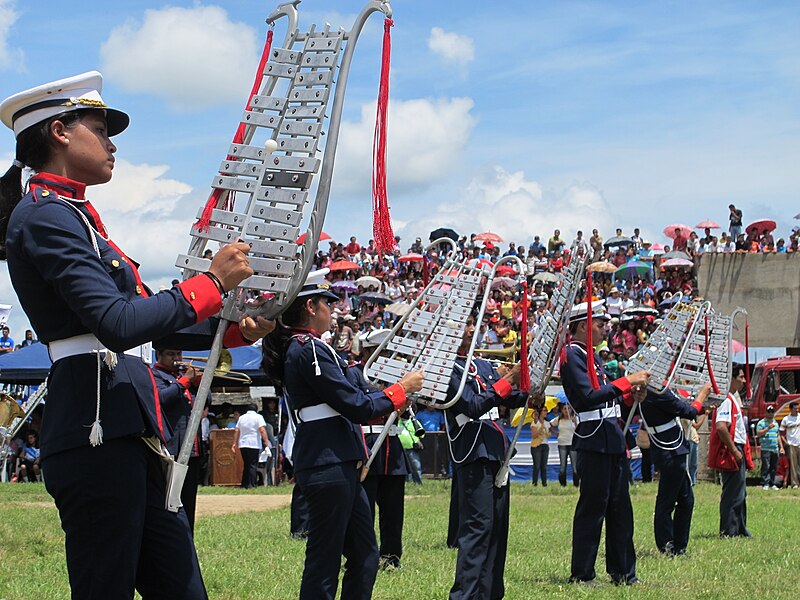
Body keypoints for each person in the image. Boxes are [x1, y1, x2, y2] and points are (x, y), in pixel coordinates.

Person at [0, 71, 272, 599]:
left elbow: (145, 316)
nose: (110, 144)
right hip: (95, 433)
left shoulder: (74, 215)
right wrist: (212, 282)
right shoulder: (46, 218)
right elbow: (118, 324)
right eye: (100, 129)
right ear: (59, 131)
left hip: (126, 430)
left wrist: (232, 330)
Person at [261, 268, 424, 600]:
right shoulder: (308, 349)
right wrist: (399, 391)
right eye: (326, 302)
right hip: (328, 464)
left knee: (364, 556)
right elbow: (357, 405)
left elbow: (358, 394)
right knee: (325, 560)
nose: (332, 309)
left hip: (340, 462)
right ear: (310, 307)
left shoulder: (314, 349)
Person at [560, 300, 650, 585]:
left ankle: (624, 571)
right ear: (584, 325)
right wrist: (626, 382)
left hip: (611, 436)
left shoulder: (591, 356)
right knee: (593, 508)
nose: (604, 330)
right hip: (593, 438)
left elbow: (607, 397)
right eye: (600, 324)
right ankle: (582, 573)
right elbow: (588, 396)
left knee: (620, 508)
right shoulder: (572, 354)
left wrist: (629, 396)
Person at [444, 320, 529, 600]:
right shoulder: (444, 368)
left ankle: (490, 593)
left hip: (495, 448)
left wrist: (532, 388)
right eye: (465, 324)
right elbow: (473, 404)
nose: (471, 329)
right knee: (478, 528)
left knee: (497, 527)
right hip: (473, 449)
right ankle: (465, 594)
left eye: (472, 324)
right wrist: (508, 380)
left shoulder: (480, 365)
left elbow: (510, 396)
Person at [636, 384, 708, 556]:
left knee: (686, 500)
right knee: (667, 502)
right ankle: (667, 545)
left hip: (671, 449)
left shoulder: (654, 391)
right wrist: (703, 394)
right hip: (670, 451)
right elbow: (689, 412)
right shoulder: (656, 392)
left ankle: (678, 544)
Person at [151, 348, 205, 532]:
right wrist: (184, 381)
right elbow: (161, 399)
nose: (177, 358)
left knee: (189, 499)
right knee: (171, 499)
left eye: (179, 354)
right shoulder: (154, 374)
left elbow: (207, 400)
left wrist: (199, 382)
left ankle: (188, 536)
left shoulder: (184, 377)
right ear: (159, 355)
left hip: (192, 448)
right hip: (173, 447)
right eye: (171, 354)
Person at [714, 365, 753, 537]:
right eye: (742, 377)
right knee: (732, 492)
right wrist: (734, 451)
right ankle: (729, 531)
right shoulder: (726, 400)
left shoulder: (731, 399)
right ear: (732, 378)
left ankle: (739, 528)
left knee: (740, 492)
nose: (744, 381)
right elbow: (721, 427)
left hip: (737, 447)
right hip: (733, 448)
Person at [233, 403, 270, 489]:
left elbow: (237, 430)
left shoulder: (241, 418)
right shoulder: (258, 417)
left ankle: (245, 483)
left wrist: (234, 443)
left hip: (243, 443)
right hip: (254, 443)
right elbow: (262, 430)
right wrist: (266, 441)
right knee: (253, 464)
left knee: (246, 464)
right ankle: (252, 484)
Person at [552, 402, 579, 487]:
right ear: (562, 410)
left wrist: (575, 423)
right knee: (563, 467)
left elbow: (579, 430)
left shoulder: (574, 419)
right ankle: (563, 484)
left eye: (569, 408)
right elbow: (550, 425)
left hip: (572, 444)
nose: (567, 410)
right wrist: (555, 433)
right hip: (562, 444)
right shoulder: (559, 419)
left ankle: (576, 484)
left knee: (575, 467)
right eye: (564, 409)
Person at [756, 405, 782, 490]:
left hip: (775, 448)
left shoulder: (775, 423)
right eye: (769, 412)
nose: (770, 413)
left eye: (772, 412)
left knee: (774, 466)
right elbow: (758, 433)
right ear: (766, 412)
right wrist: (767, 428)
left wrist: (781, 447)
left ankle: (772, 483)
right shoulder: (761, 423)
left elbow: (778, 435)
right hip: (765, 448)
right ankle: (765, 483)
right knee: (766, 466)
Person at [779, 401, 800, 489]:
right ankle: (795, 483)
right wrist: (785, 442)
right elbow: (780, 433)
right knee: (793, 465)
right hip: (791, 444)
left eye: (798, 408)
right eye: (795, 409)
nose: (797, 410)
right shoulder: (786, 419)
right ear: (790, 409)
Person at [529, 407, 551, 486]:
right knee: (537, 466)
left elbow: (548, 436)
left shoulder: (547, 423)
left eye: (546, 411)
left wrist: (547, 432)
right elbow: (534, 435)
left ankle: (544, 483)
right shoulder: (535, 423)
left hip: (545, 445)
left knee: (544, 466)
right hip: (536, 446)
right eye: (544, 411)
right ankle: (534, 483)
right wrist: (541, 427)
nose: (545, 412)